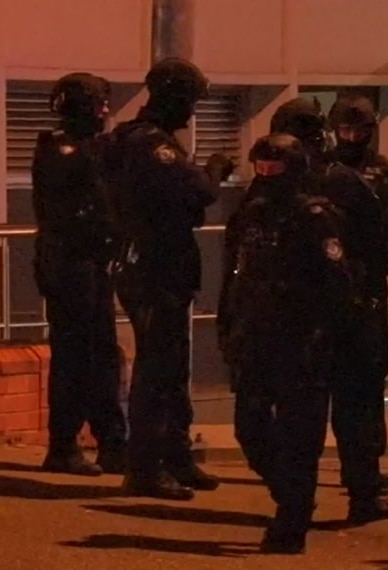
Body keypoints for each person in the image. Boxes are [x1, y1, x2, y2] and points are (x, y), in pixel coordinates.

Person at [217, 133, 366, 554]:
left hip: (301, 341)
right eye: (260, 168)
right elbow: (234, 276)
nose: (265, 176)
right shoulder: (250, 215)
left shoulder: (315, 217)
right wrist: (228, 327)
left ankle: (293, 517)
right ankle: (290, 495)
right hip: (255, 337)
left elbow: (338, 283)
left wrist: (325, 336)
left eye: (274, 169)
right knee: (250, 430)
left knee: (300, 437)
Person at [102, 57, 234, 500]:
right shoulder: (149, 144)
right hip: (154, 267)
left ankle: (176, 457)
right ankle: (144, 467)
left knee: (174, 367)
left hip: (160, 265)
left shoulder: (133, 140)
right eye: (191, 101)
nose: (193, 111)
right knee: (157, 370)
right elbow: (198, 192)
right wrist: (213, 169)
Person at [322, 92, 388, 495]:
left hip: (371, 290)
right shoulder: (321, 174)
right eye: (345, 128)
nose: (351, 136)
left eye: (358, 129)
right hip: (329, 293)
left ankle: (365, 464)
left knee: (368, 383)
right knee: (335, 386)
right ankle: (355, 467)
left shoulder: (385, 176)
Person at [32, 72, 127, 476]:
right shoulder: (67, 152)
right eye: (99, 105)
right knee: (78, 356)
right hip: (73, 265)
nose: (105, 113)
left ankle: (110, 441)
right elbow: (83, 213)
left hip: (84, 263)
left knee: (101, 354)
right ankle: (66, 444)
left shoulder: (81, 149)